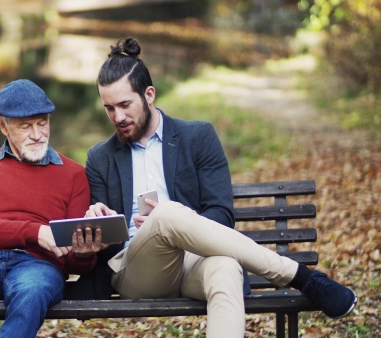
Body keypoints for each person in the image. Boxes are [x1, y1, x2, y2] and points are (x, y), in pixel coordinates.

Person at [81, 37, 358, 337]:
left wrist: (178, 223)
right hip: (138, 272)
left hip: (196, 263)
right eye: (109, 108)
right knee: (166, 215)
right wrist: (97, 230)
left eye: (124, 105)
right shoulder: (100, 157)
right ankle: (300, 276)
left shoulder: (198, 137)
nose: (117, 117)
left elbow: (222, 215)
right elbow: (104, 243)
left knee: (225, 267)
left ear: (149, 95)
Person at [0, 79, 104, 338]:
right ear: (3, 125)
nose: (37, 134)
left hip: (39, 265)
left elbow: (74, 263)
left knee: (32, 293)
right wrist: (34, 232)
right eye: (25, 126)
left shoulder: (74, 175)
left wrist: (84, 254)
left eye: (43, 123)